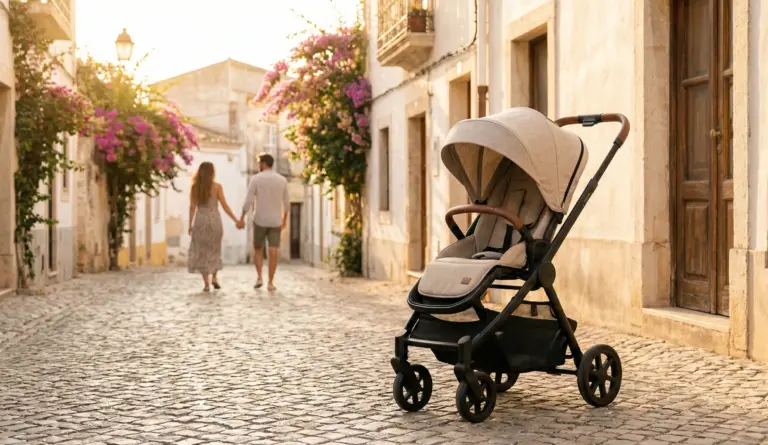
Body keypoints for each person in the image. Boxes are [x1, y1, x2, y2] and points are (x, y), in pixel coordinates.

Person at [187, 162, 244, 292]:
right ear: (212, 172)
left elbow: (192, 207)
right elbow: (225, 206)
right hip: (214, 221)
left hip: (201, 221)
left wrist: (190, 224)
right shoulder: (217, 187)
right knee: (214, 250)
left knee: (202, 252)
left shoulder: (195, 187)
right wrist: (236, 220)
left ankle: (206, 284)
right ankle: (214, 278)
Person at [239, 153, 290, 291]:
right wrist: (284, 219)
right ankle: (271, 282)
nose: (257, 165)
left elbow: (248, 201)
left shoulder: (256, 179)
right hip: (275, 220)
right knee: (273, 250)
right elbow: (286, 204)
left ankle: (259, 277)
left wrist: (241, 217)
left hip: (260, 219)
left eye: (258, 163)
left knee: (258, 248)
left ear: (263, 163)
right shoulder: (282, 180)